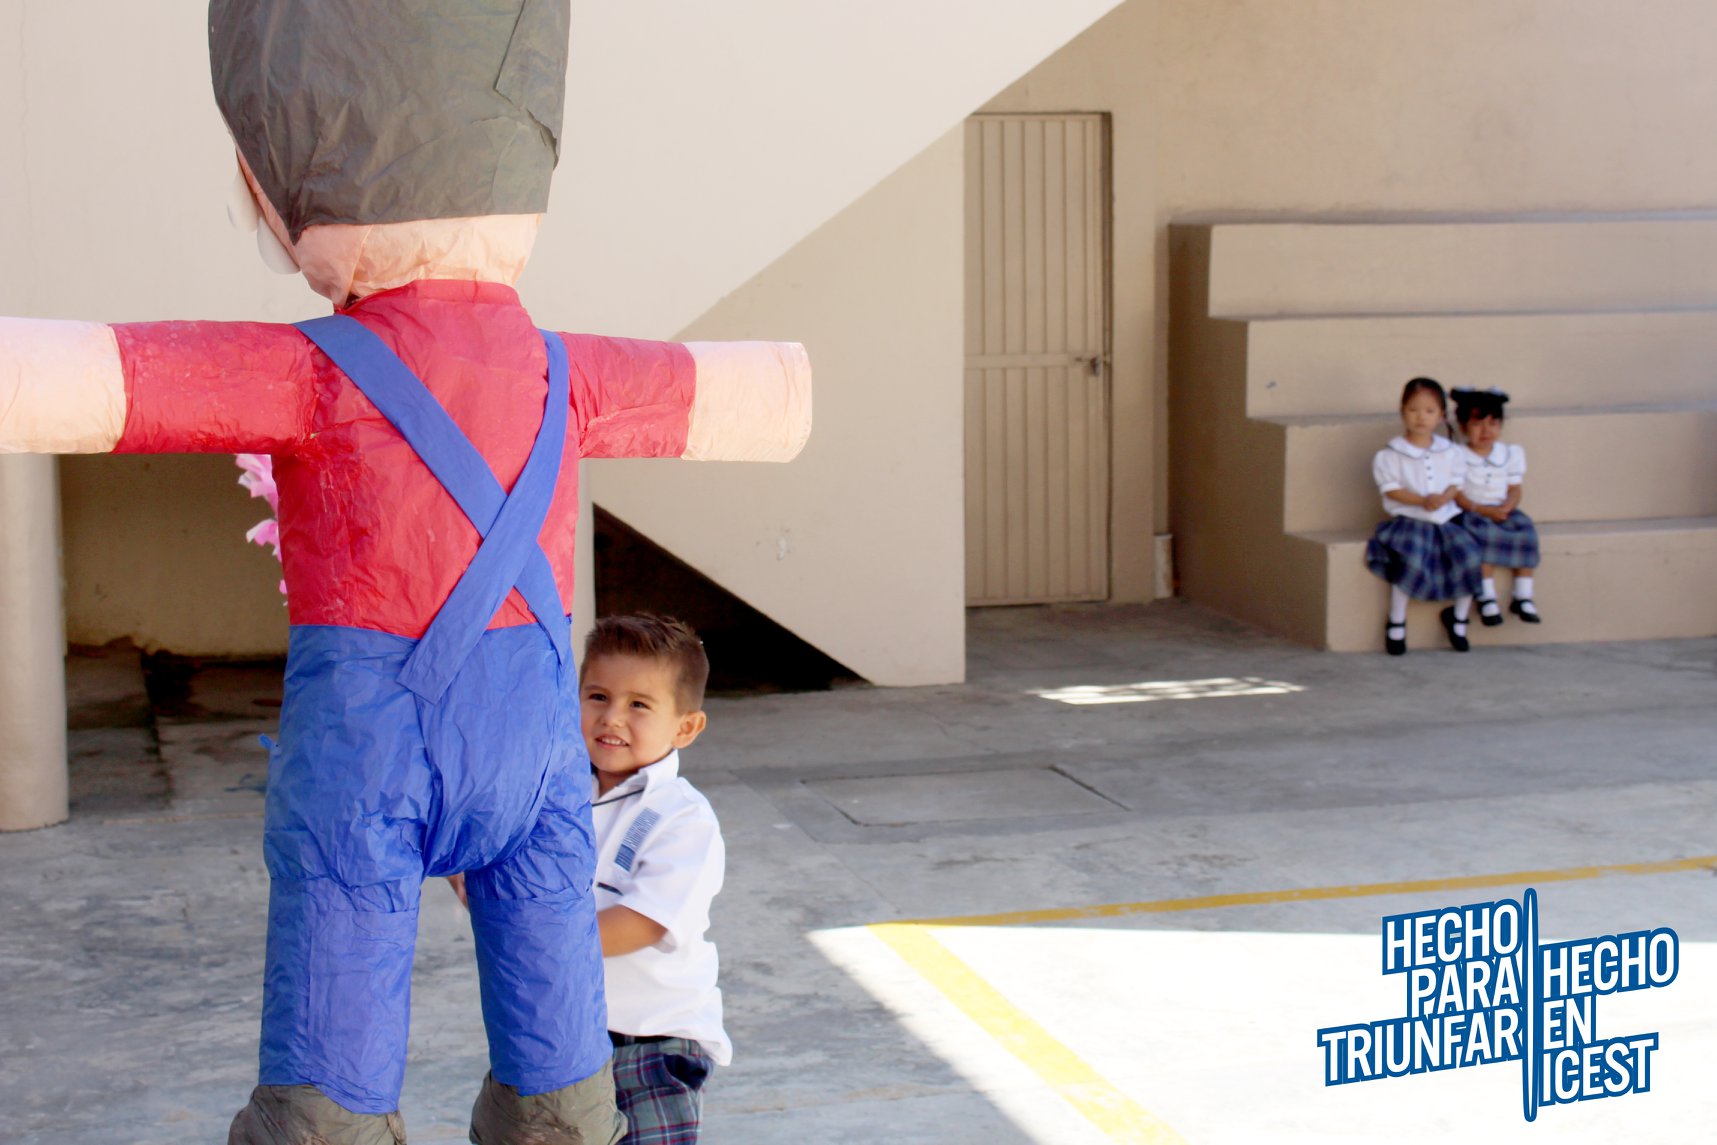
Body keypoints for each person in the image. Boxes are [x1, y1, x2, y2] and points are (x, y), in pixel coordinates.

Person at [583, 614, 731, 1145]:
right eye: (598, 697)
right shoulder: (555, 797)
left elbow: (643, 922)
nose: (612, 718)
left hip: (652, 1042)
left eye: (639, 705)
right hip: (562, 1034)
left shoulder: (682, 818)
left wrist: (534, 936)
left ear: (685, 728)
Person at [1364, 377, 1484, 655]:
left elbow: (1456, 482)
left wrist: (1444, 497)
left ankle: (1459, 619)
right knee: (1410, 561)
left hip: (1445, 522)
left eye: (1429, 411)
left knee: (1469, 556)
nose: (1421, 417)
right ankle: (1396, 620)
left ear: (1441, 416)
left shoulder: (1450, 451)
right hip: (1411, 522)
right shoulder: (1391, 454)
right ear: (1402, 411)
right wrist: (1421, 501)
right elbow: (1391, 489)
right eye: (1414, 410)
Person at [1450, 387, 1542, 626]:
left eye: (1493, 423)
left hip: (1502, 510)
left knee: (1526, 533)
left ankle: (1523, 595)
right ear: (1463, 426)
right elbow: (1457, 494)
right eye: (1477, 424)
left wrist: (1509, 505)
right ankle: (1486, 595)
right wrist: (1482, 510)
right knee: (1482, 539)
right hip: (1473, 512)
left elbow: (1515, 488)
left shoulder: (1509, 453)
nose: (1486, 430)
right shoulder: (1457, 456)